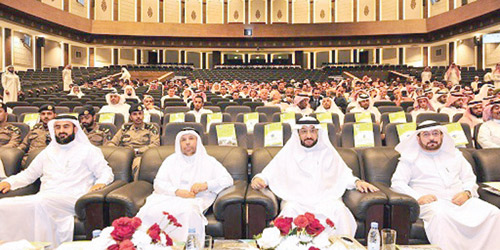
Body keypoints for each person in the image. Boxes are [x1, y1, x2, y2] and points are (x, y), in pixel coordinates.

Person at [251, 117, 379, 236]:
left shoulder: (328, 152)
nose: (309, 136)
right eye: (304, 131)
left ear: (318, 133)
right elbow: (268, 173)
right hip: (297, 201)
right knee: (289, 210)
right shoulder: (288, 152)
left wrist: (357, 182)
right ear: (298, 134)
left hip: (326, 200)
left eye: (312, 131)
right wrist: (259, 179)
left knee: (340, 210)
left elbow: (344, 175)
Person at [0, 115, 114, 247]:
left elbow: (106, 172)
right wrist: (9, 182)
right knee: (3, 205)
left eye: (66, 126)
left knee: (41, 201)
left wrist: (100, 184)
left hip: (74, 199)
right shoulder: (47, 152)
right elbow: (28, 175)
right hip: (45, 198)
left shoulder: (89, 151)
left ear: (75, 129)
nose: (61, 131)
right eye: (57, 127)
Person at [391, 120, 500, 250]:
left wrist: (467, 193)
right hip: (432, 203)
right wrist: (418, 197)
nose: (431, 138)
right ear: (418, 138)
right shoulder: (409, 158)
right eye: (426, 135)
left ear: (442, 135)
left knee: (493, 212)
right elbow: (397, 183)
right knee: (441, 216)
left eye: (435, 133)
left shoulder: (456, 155)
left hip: (462, 201)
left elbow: (469, 178)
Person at [136, 129, 233, 242]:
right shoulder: (170, 160)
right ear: (179, 144)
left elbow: (227, 180)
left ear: (198, 141)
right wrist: (177, 191)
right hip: (169, 197)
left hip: (195, 199)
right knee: (150, 211)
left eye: (191, 139)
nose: (187, 142)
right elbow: (158, 183)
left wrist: (205, 185)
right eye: (183, 140)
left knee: (187, 212)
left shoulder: (209, 161)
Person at [107, 104, 159, 175]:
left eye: (140, 114)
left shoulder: (150, 128)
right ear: (130, 117)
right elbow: (112, 143)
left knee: (136, 166)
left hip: (140, 156)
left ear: (143, 115)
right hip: (123, 155)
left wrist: (138, 151)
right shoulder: (125, 128)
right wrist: (117, 152)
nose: (138, 117)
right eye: (135, 114)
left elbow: (155, 144)